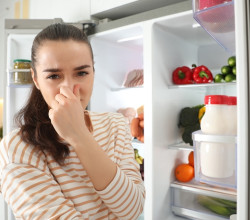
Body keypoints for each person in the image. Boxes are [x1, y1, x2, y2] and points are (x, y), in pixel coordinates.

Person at [0, 23, 145, 219]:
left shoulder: (115, 124)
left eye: (81, 73)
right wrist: (76, 133)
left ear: (93, 72)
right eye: (53, 76)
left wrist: (79, 136)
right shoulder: (16, 149)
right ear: (35, 79)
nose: (68, 88)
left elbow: (132, 209)